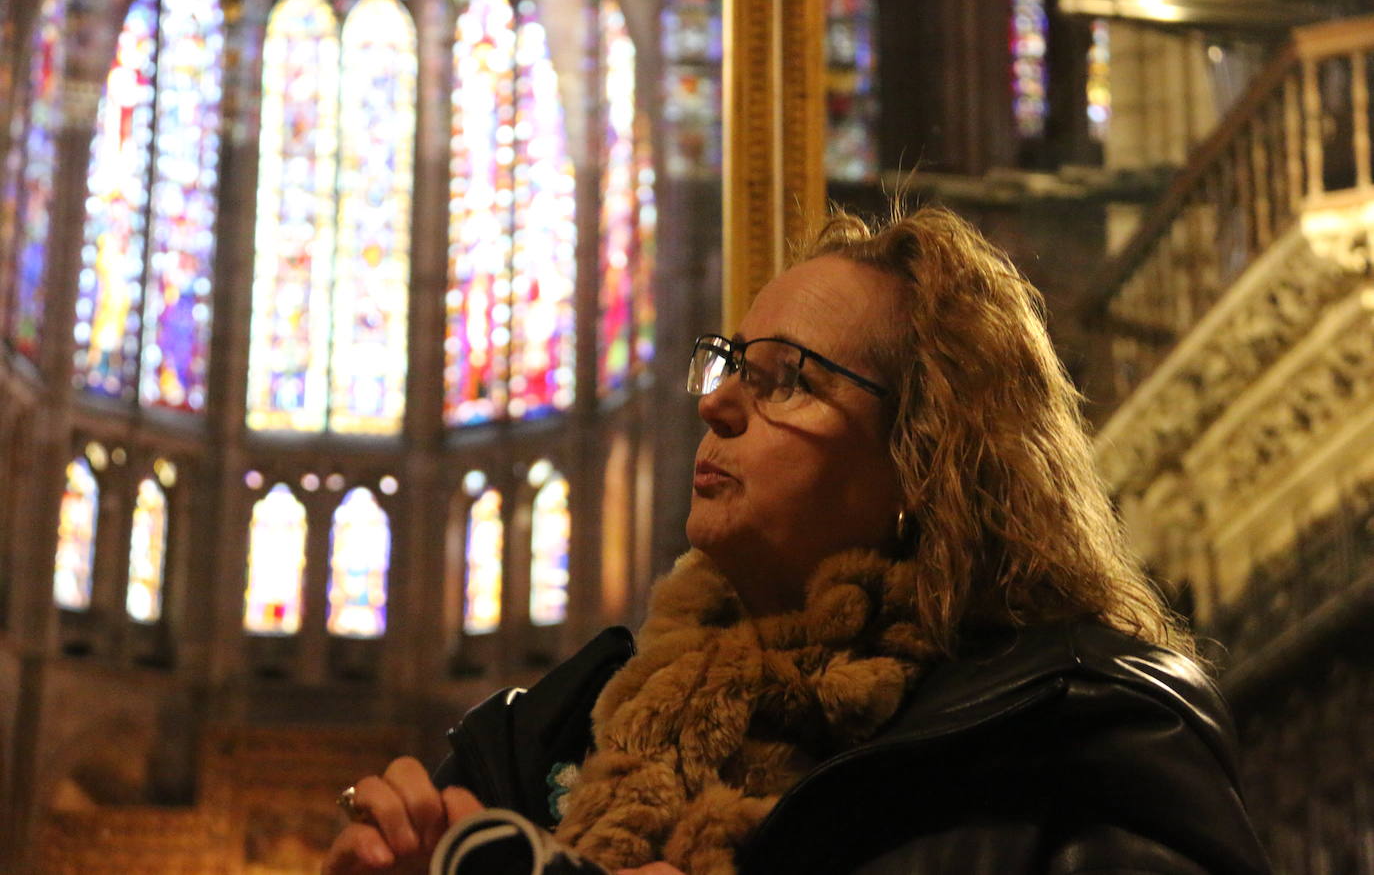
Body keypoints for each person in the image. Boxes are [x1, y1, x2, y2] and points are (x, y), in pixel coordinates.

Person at [323, 206, 1272, 875]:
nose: (718, 401)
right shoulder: (534, 749)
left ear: (924, 461)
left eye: (788, 380)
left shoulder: (1074, 736)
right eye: (731, 362)